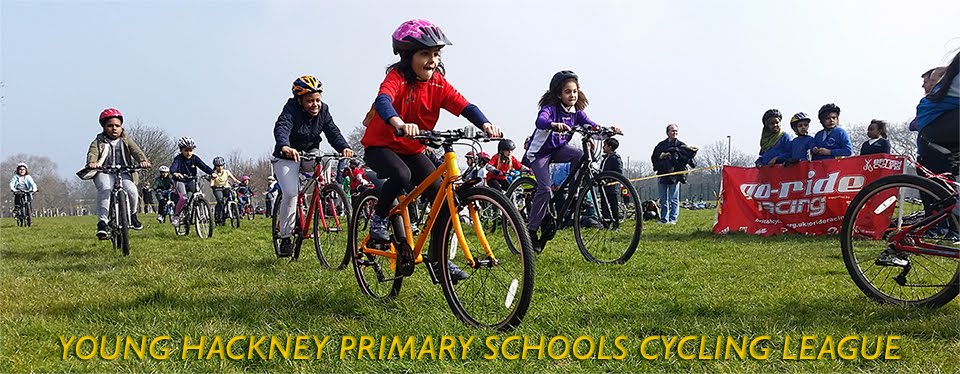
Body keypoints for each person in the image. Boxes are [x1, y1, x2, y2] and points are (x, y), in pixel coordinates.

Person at [361, 19, 500, 278]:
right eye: (425, 53)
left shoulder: (438, 83)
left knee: (442, 198)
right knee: (401, 175)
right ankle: (379, 217)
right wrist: (398, 122)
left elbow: (464, 106)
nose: (432, 60)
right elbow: (383, 100)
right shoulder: (397, 78)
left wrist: (485, 123)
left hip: (412, 149)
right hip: (381, 145)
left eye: (436, 53)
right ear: (407, 55)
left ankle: (439, 261)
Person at [523, 70, 620, 252]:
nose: (572, 95)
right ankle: (531, 230)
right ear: (559, 94)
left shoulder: (577, 113)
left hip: (558, 150)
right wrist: (552, 124)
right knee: (544, 189)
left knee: (579, 154)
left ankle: (574, 195)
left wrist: (608, 130)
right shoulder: (551, 109)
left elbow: (592, 126)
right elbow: (540, 121)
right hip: (540, 153)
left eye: (575, 91)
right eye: (568, 92)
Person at [273, 75, 353, 257]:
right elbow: (282, 127)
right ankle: (285, 237)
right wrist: (284, 146)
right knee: (292, 193)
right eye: (310, 101)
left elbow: (333, 131)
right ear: (300, 101)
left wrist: (344, 147)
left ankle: (322, 195)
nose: (315, 104)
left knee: (324, 160)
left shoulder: (323, 110)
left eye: (317, 100)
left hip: (310, 152)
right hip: (287, 156)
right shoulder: (291, 109)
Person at [86, 108, 151, 238]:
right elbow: (92, 153)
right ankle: (102, 223)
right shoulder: (98, 141)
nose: (114, 128)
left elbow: (136, 151)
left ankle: (132, 216)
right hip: (104, 171)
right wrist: (92, 162)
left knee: (132, 190)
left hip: (124, 172)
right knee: (105, 188)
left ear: (121, 127)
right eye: (110, 126)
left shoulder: (126, 140)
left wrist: (143, 160)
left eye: (117, 125)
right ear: (104, 127)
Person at [651, 124, 696, 224]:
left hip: (675, 175)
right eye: (672, 131)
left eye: (676, 131)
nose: (674, 133)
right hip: (662, 174)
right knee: (663, 199)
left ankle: (673, 219)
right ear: (667, 132)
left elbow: (688, 159)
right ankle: (663, 218)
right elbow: (654, 158)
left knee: (674, 199)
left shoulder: (681, 145)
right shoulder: (660, 145)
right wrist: (661, 157)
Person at [169, 136, 214, 226]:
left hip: (191, 180)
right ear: (181, 150)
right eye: (186, 150)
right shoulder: (178, 159)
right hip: (180, 181)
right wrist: (175, 173)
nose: (188, 153)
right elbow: (173, 168)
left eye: (190, 150)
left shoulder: (194, 158)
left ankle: (202, 213)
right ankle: (176, 216)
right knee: (183, 198)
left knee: (199, 194)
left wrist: (212, 173)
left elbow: (204, 166)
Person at [913, 67, 949, 176]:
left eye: (929, 81)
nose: (923, 85)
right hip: (927, 152)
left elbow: (916, 123)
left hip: (935, 153)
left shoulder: (937, 101)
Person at [209, 156, 241, 225]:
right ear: (215, 166)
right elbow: (212, 182)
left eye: (221, 165)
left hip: (226, 188)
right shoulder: (214, 173)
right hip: (217, 189)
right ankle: (218, 217)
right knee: (220, 201)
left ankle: (232, 210)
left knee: (232, 197)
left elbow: (234, 179)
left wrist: (241, 183)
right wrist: (212, 185)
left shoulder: (227, 172)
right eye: (218, 166)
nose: (220, 167)